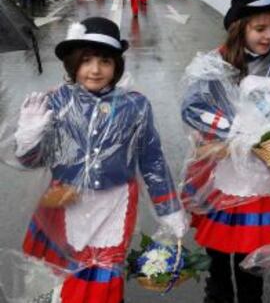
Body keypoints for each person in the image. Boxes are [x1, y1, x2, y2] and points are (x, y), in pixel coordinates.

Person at [15, 16, 188, 303]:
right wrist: (30, 135)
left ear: (116, 66)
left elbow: (152, 160)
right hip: (64, 203)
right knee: (58, 278)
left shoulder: (135, 105)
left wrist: (169, 209)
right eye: (86, 61)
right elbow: (30, 161)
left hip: (113, 204)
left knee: (103, 278)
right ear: (73, 64)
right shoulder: (56, 102)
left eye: (105, 61)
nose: (95, 70)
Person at [180, 0, 270, 303]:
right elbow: (192, 108)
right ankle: (217, 293)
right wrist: (236, 131)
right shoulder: (214, 63)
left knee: (251, 253)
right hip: (219, 169)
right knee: (218, 249)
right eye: (260, 28)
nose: (269, 35)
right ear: (239, 27)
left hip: (258, 174)